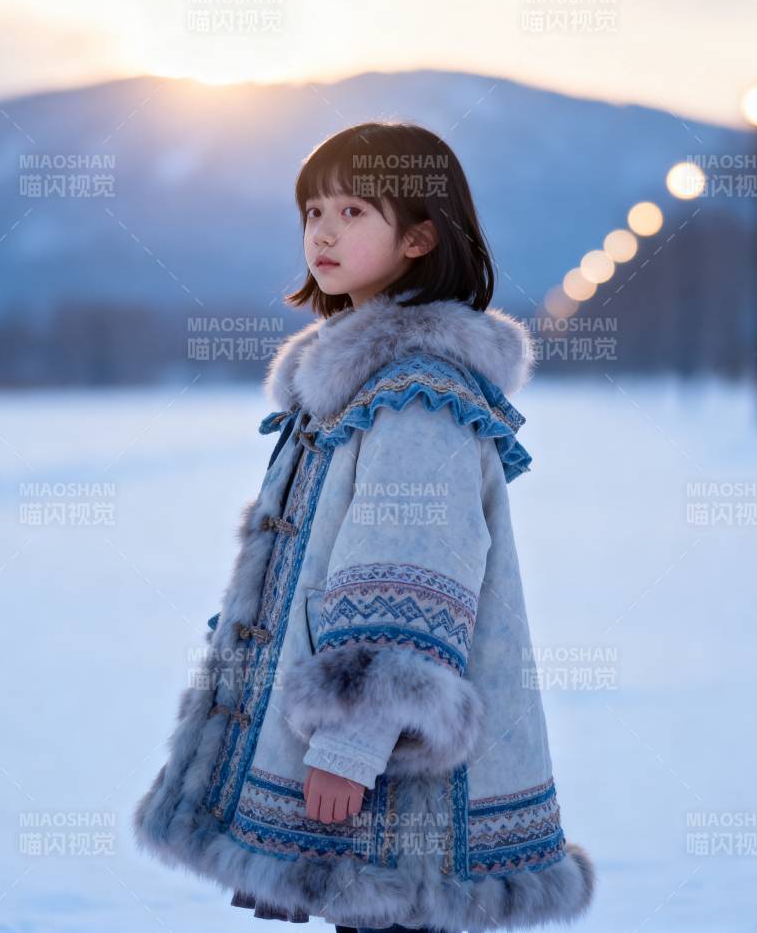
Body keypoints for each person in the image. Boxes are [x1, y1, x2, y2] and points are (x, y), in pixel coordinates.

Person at [133, 121, 594, 933]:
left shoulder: (417, 392)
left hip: (393, 767)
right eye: (313, 211)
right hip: (364, 759)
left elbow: (411, 565)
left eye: (353, 210)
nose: (323, 231)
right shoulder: (351, 385)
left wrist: (351, 741)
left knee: (400, 912)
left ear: (420, 236)